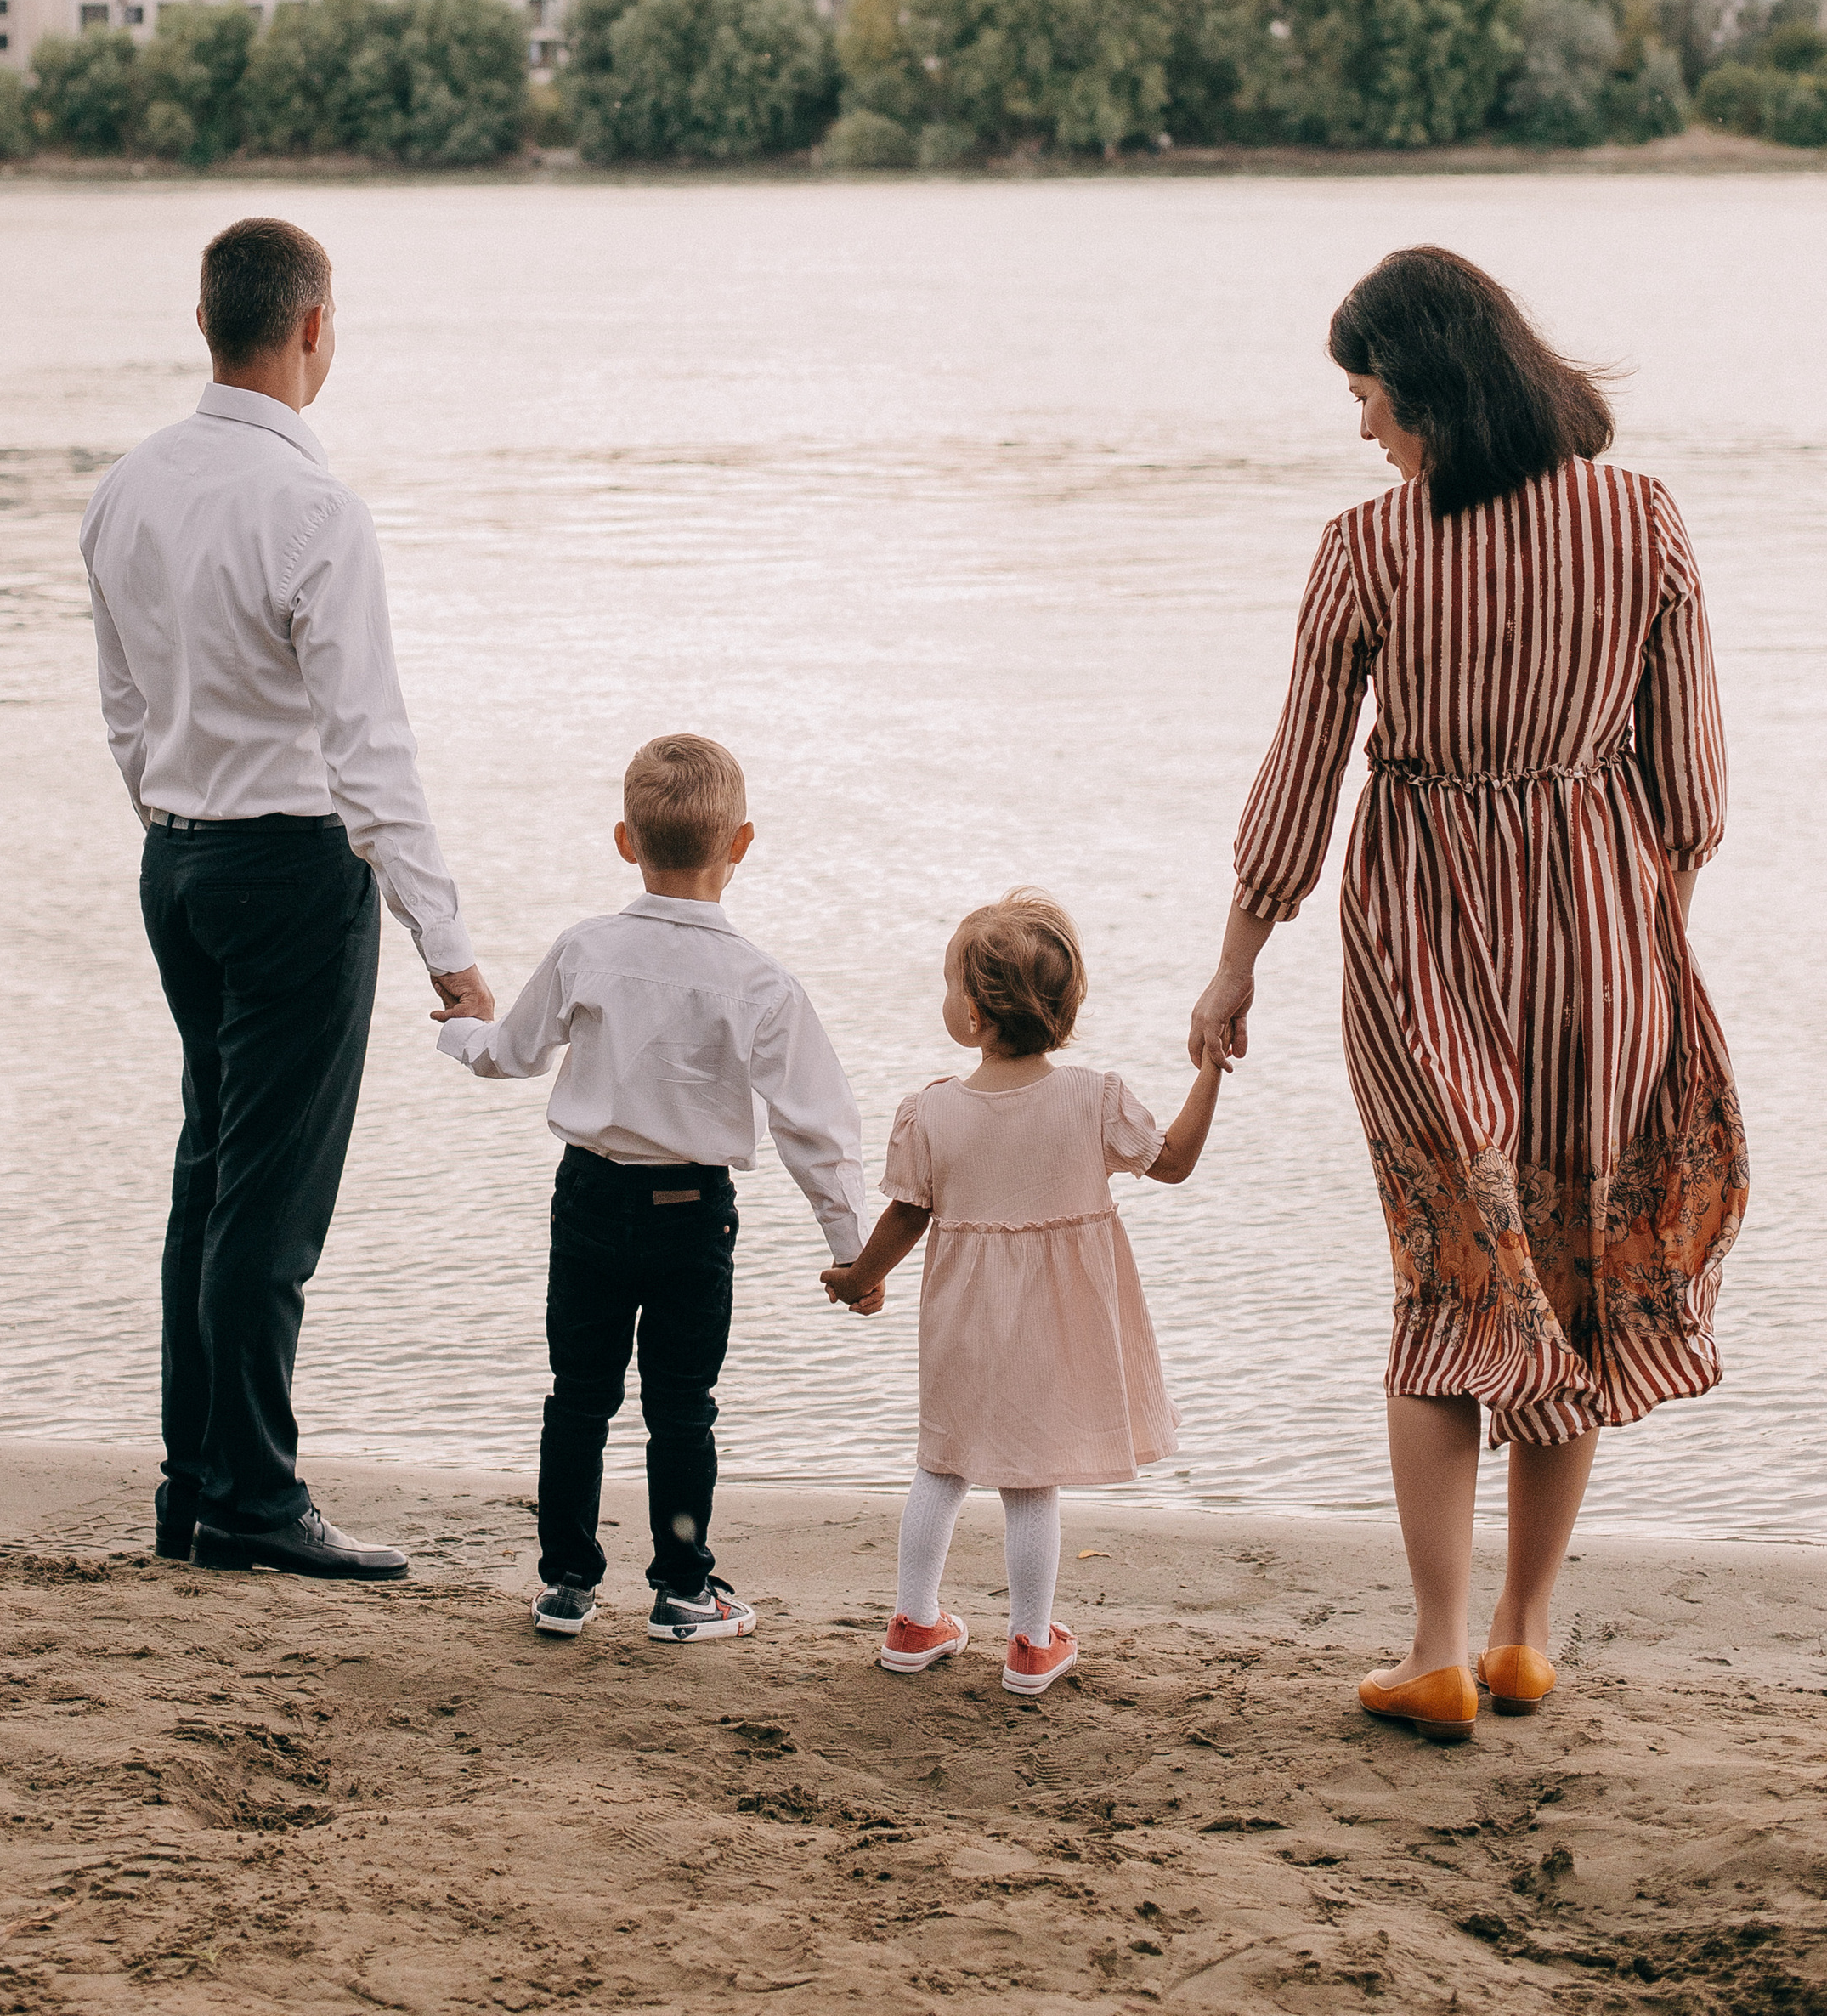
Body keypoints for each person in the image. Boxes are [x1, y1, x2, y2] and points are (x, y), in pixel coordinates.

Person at [1190, 246, 1748, 1745]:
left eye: (1369, 396)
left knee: (1451, 1265)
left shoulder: (1369, 547)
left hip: (1422, 938)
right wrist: (1640, 951)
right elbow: (1689, 793)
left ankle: (1437, 1646)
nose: (1363, 428)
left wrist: (1237, 960)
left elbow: (1300, 780)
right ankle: (1521, 1640)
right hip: (1612, 944)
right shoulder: (1643, 521)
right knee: (1564, 1273)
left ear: (1427, 388)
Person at [80, 215, 494, 1583]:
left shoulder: (124, 489)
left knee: (209, 1174)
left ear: (208, 323)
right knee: (269, 1199)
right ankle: (253, 1499)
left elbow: (127, 710)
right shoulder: (317, 510)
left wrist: (171, 817)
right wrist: (448, 944)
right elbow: (371, 752)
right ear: (312, 327)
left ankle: (192, 1485)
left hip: (181, 863)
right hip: (295, 870)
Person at [437, 733, 866, 1645]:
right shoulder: (760, 982)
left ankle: (566, 1585)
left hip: (587, 1199)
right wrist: (851, 1252)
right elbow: (814, 1128)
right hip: (690, 1216)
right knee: (681, 1408)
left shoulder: (586, 948)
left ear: (625, 841)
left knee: (577, 1397)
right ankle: (680, 1589)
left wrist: (463, 1030)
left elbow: (508, 1055)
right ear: (741, 844)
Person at [823, 892, 1222, 1696]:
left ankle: (913, 1621)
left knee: (942, 1463)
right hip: (1053, 1329)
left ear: (972, 1014)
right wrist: (1212, 1067)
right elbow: (1173, 1161)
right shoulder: (1092, 1100)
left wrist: (861, 1277)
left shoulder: (933, 1112)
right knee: (1028, 1479)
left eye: (946, 987)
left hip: (961, 1325)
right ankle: (1033, 1643)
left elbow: (906, 1213)